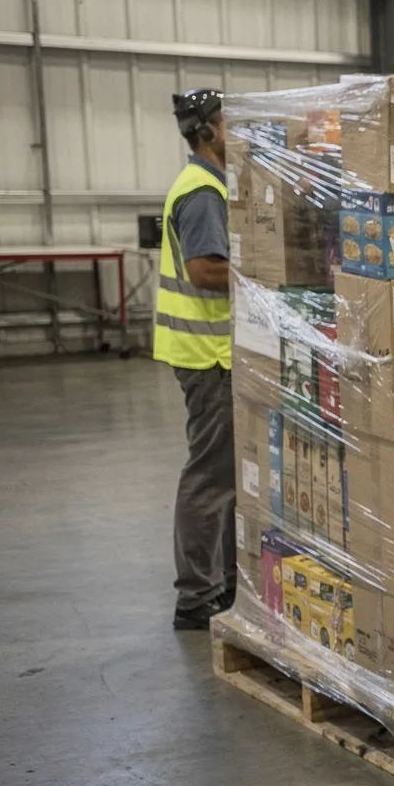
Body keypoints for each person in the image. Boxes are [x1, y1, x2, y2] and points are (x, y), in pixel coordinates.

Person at [157, 89, 235, 630]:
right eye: (230, 124)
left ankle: (225, 583)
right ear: (206, 131)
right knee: (210, 475)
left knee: (225, 472)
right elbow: (205, 271)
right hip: (208, 356)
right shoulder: (203, 191)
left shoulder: (209, 185)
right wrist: (267, 274)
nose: (240, 133)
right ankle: (195, 596)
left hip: (211, 353)